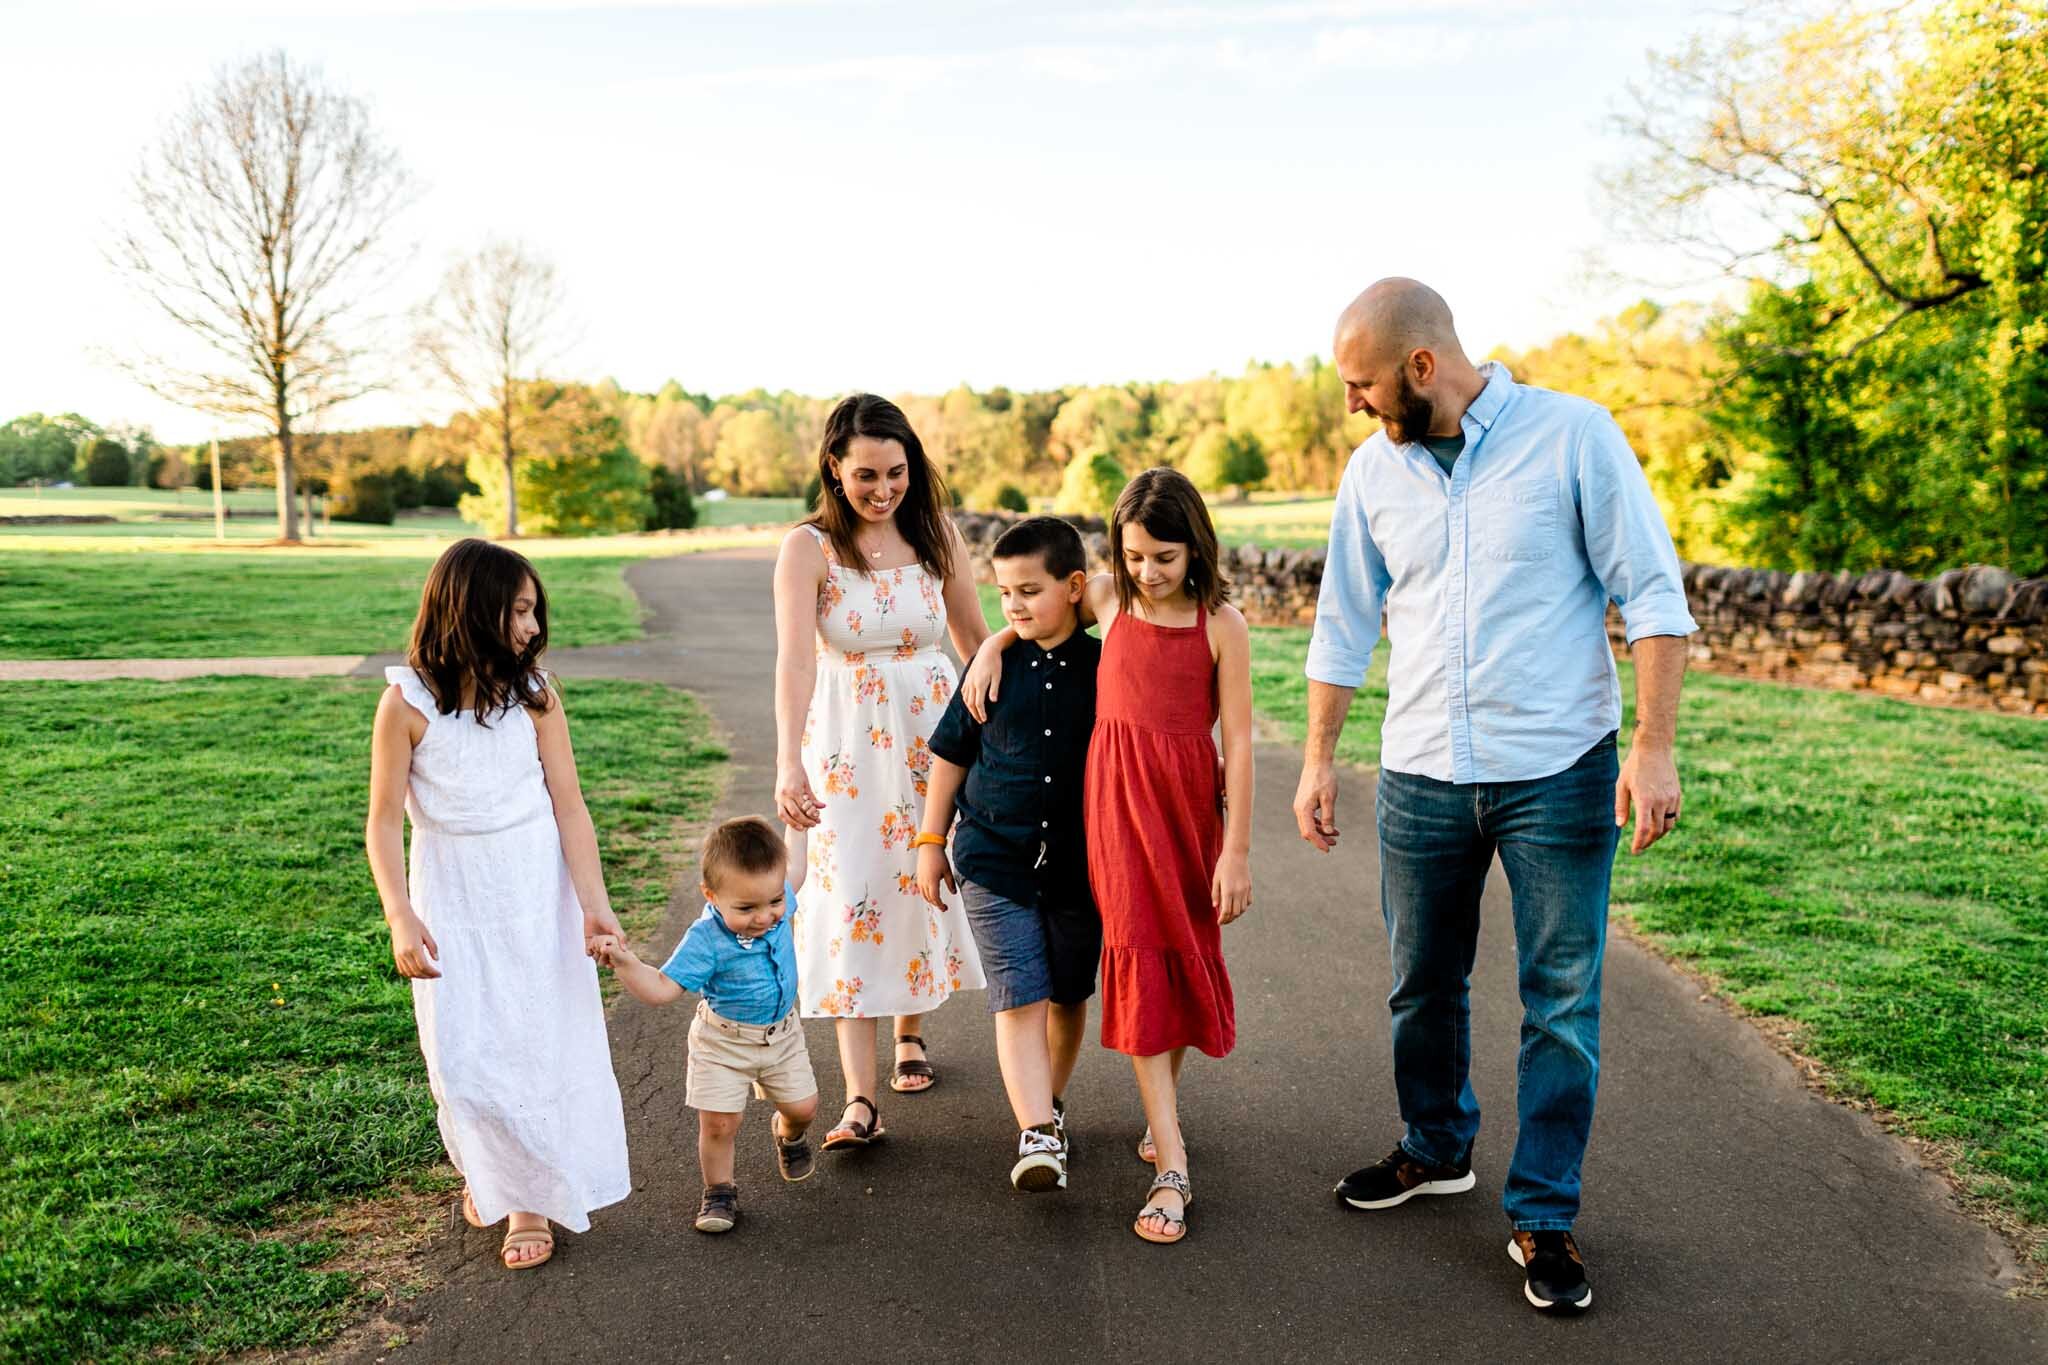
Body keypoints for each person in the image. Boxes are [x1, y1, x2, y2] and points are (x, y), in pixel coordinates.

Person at [1292, 278, 1696, 1313]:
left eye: (1362, 384)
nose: (1353, 405)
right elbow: (1343, 623)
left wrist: (1650, 749)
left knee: (1559, 1004)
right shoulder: (1369, 473)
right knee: (1418, 983)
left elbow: (1649, 592)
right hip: (1421, 771)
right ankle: (1434, 1149)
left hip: (1556, 770)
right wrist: (1315, 759)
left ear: (1421, 367)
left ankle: (1543, 1215)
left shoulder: (1572, 436)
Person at [965, 468, 1254, 1245]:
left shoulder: (1220, 623)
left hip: (1189, 814)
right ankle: (1172, 1164)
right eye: (1133, 556)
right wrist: (995, 641)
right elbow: (1039, 609)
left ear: (1196, 546)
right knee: (1133, 954)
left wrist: (1237, 850)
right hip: (1118, 814)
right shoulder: (1111, 600)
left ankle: (1165, 1123)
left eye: (1165, 556)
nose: (1148, 572)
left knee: (1181, 957)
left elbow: (1241, 742)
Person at [366, 538, 631, 1272]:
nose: (532, 624)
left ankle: (526, 1198)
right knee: (466, 1051)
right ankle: (491, 1167)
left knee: (532, 1038)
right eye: (518, 609)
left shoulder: (537, 695)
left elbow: (570, 806)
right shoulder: (406, 704)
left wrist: (594, 903)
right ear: (471, 610)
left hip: (531, 887)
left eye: (534, 609)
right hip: (452, 890)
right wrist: (398, 912)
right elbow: (384, 818)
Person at [772, 393, 989, 1152]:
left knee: (924, 877)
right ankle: (860, 1099)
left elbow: (977, 640)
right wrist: (787, 761)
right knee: (857, 892)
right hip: (848, 746)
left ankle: (911, 1032)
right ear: (834, 467)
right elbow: (796, 658)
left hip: (935, 736)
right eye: (866, 474)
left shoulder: (937, 536)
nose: (883, 488)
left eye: (896, 471)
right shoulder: (808, 549)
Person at [916, 516, 1100, 1194]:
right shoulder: (989, 668)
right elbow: (949, 756)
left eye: (1031, 590)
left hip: (1082, 867)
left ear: (1075, 587)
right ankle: (1036, 1130)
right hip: (993, 858)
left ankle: (1048, 1105)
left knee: (1069, 990)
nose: (1016, 605)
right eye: (1004, 595)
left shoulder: (1107, 668)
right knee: (1020, 990)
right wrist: (930, 842)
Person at [596, 817, 819, 1234]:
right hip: (723, 1043)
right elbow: (662, 989)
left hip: (782, 1037)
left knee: (803, 1108)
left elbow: (797, 870)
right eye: (746, 908)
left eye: (773, 902)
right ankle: (719, 1191)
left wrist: (798, 825)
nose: (766, 917)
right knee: (720, 1123)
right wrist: (625, 962)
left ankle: (788, 1134)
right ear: (712, 896)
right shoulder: (705, 938)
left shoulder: (778, 898)